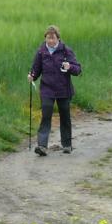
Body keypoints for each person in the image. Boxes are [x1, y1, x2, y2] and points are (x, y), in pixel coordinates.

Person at [28, 25, 81, 156]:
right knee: (46, 115)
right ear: (45, 38)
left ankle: (67, 145)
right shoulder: (41, 52)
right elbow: (36, 69)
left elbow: (78, 69)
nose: (50, 41)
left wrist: (69, 67)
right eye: (48, 38)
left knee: (65, 116)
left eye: (53, 38)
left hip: (63, 89)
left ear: (58, 38)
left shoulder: (66, 51)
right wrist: (32, 76)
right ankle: (42, 146)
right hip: (47, 89)